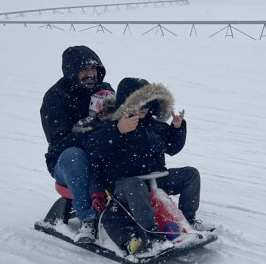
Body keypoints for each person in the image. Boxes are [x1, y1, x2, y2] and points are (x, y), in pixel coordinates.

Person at [85, 78, 213, 245]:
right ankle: (151, 233)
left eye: (147, 103)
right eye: (139, 103)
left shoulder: (155, 126)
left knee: (190, 174)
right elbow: (94, 149)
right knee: (136, 185)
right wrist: (117, 130)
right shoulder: (113, 124)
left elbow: (172, 148)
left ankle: (187, 222)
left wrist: (177, 128)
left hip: (155, 179)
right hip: (124, 185)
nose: (144, 108)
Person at [40, 45, 128, 244]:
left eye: (93, 69)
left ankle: (133, 205)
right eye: (84, 70)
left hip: (99, 153)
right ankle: (87, 219)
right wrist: (94, 132)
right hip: (65, 163)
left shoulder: (104, 90)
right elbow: (58, 141)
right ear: (72, 71)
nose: (90, 74)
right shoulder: (56, 97)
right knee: (74, 156)